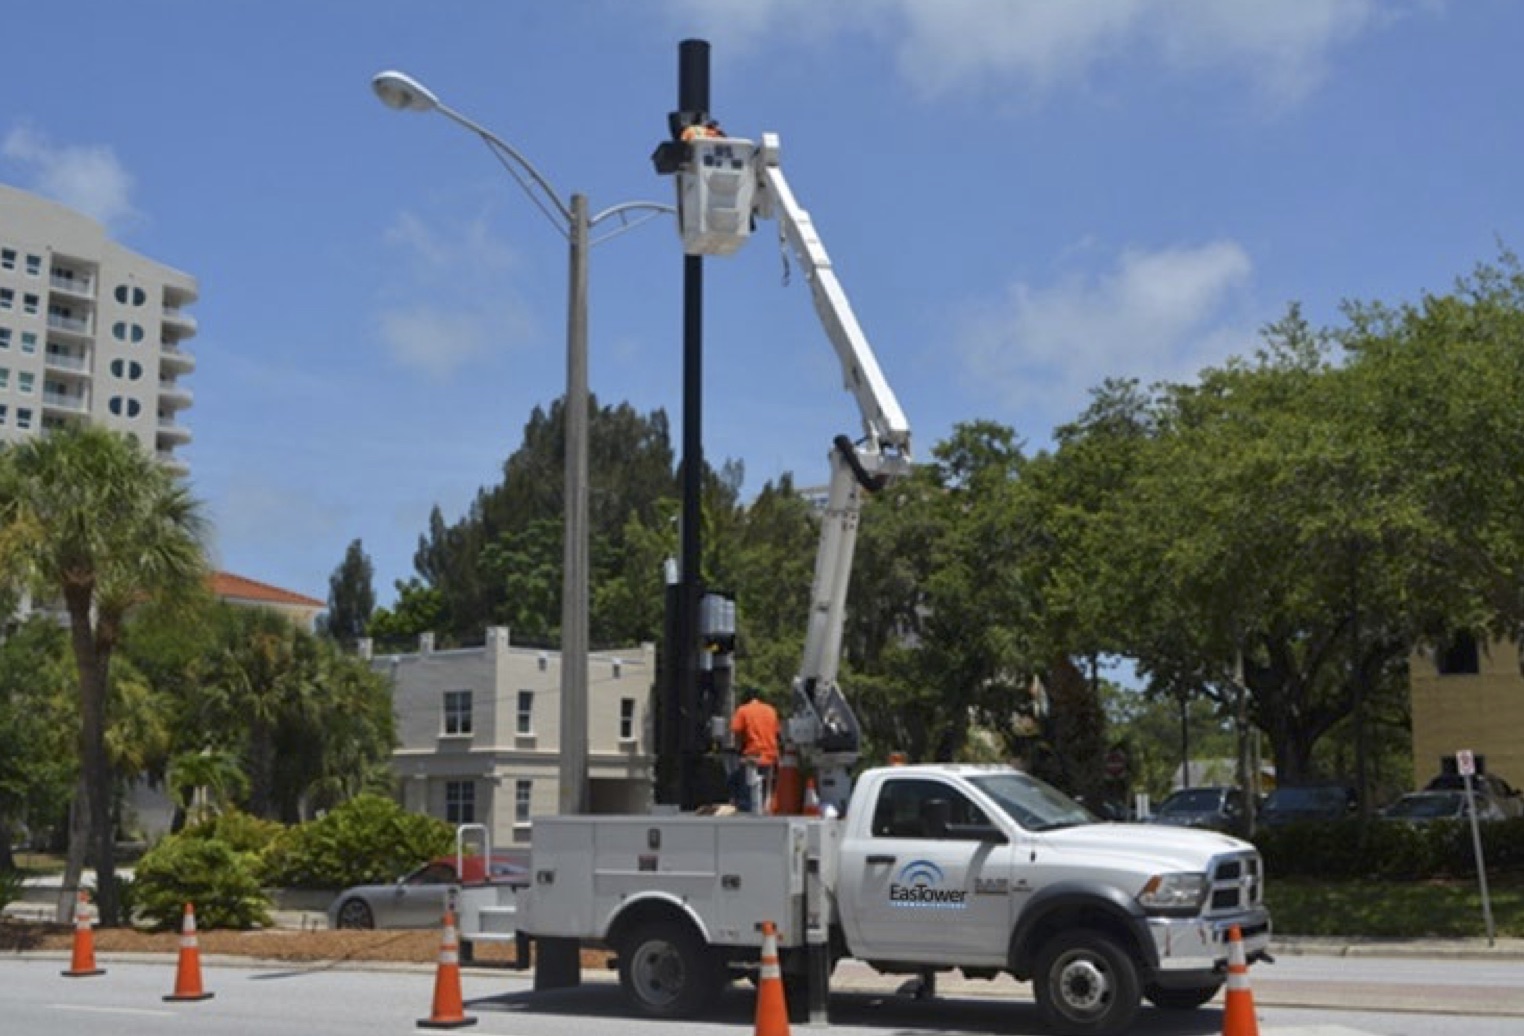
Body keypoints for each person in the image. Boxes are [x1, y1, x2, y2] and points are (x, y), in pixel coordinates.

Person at [729, 688, 779, 811]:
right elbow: (776, 732)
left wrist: (738, 751)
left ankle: (744, 808)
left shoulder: (743, 710)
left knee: (734, 783)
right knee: (765, 793)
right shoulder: (771, 710)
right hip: (771, 757)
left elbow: (737, 735)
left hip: (753, 757)